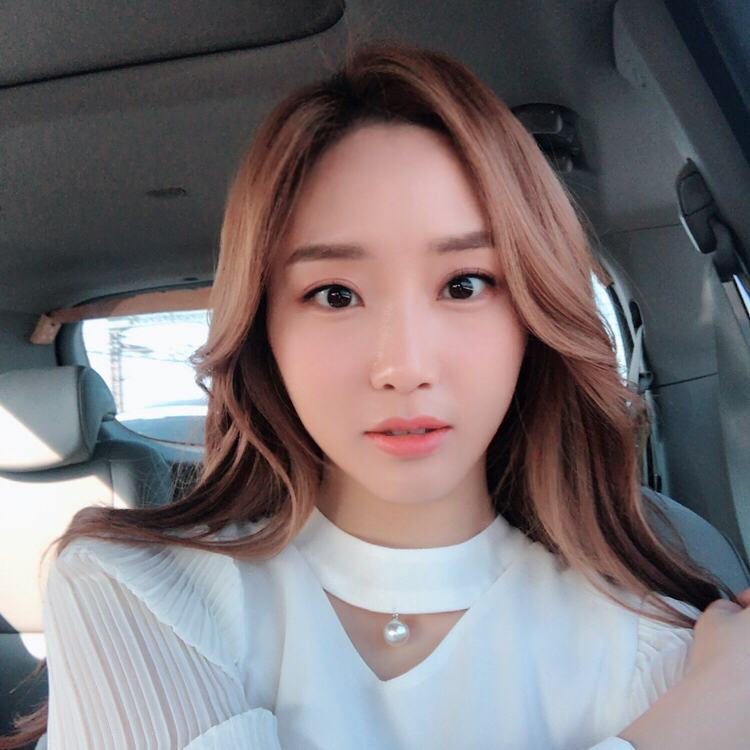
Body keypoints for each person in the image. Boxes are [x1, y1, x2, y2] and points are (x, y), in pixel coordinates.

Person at [3, 43, 750, 750]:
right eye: (335, 294)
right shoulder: (138, 592)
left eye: (465, 284)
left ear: (531, 315)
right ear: (264, 330)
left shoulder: (655, 639)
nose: (403, 366)